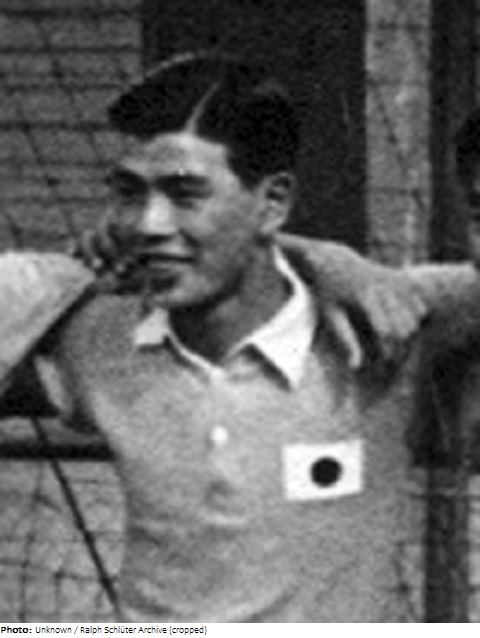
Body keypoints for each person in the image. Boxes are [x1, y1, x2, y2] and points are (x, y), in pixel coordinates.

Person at [1, 51, 479, 623]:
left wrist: (324, 257)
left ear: (273, 203)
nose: (149, 224)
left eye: (185, 194)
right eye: (129, 193)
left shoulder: (389, 322)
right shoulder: (91, 339)